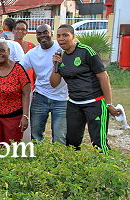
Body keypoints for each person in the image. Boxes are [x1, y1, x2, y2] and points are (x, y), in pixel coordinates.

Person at [50, 24, 121, 154]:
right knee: (72, 141)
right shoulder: (61, 56)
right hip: (74, 103)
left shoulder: (86, 51)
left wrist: (109, 104)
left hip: (94, 102)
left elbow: (103, 77)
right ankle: (74, 168)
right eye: (59, 36)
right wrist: (55, 65)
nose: (61, 39)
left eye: (65, 35)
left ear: (73, 36)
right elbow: (54, 83)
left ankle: (107, 169)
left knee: (98, 141)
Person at [21, 24, 68, 144]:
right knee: (36, 134)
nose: (42, 36)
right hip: (40, 96)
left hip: (62, 98)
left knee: (59, 136)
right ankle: (37, 159)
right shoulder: (33, 53)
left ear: (51, 33)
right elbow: (18, 68)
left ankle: (58, 161)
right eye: (39, 33)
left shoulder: (62, 49)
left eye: (45, 32)